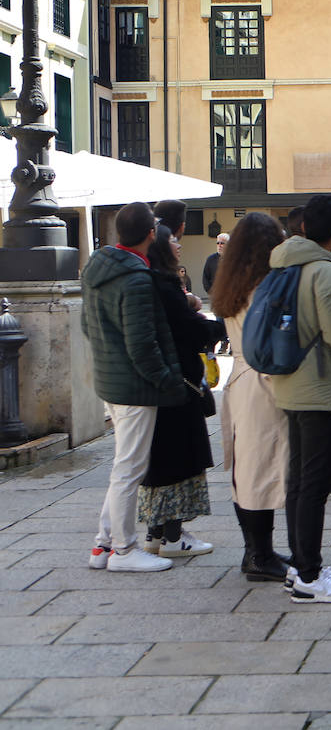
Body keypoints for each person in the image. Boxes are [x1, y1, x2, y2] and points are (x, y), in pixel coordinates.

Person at [270, 194, 331, 604]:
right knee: (314, 484)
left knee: (299, 479)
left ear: (305, 227)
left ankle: (300, 563)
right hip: (322, 388)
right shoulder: (328, 272)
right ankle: (308, 575)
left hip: (291, 381)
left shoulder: (282, 263)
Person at [84, 202, 184, 573]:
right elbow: (142, 345)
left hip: (112, 380)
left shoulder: (98, 269)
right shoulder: (136, 278)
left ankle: (103, 545)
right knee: (130, 469)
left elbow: (88, 326)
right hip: (135, 386)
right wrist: (168, 381)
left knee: (124, 465)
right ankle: (123, 550)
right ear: (150, 234)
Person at [211, 212, 293, 583]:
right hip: (264, 381)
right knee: (260, 469)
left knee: (247, 470)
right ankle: (259, 554)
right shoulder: (265, 285)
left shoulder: (232, 283)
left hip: (241, 379)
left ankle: (257, 550)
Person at [138, 225, 224, 558]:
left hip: (159, 385)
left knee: (161, 458)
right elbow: (187, 329)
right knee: (179, 458)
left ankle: (155, 533)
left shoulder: (151, 281)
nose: (178, 244)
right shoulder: (165, 284)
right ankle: (174, 537)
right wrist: (219, 326)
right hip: (176, 384)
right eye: (173, 240)